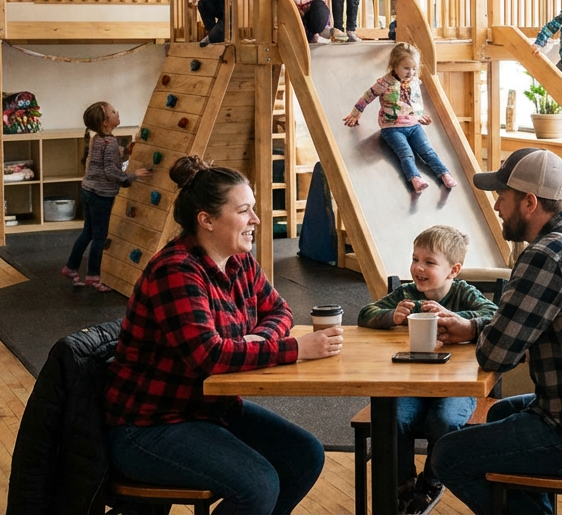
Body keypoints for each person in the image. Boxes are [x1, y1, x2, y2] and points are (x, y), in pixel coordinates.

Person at [105, 155, 340, 514]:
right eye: (244, 210)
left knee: (304, 455)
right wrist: (293, 349)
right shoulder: (176, 271)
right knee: (258, 484)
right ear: (207, 220)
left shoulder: (238, 258)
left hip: (209, 409)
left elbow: (279, 310)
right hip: (148, 426)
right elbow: (209, 357)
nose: (256, 220)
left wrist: (258, 341)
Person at [430, 148, 562, 515]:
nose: (497, 206)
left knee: (447, 455)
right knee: (499, 415)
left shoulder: (545, 256)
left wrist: (482, 334)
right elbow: (535, 321)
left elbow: (495, 355)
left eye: (502, 197)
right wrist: (474, 326)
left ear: (529, 202)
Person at [357, 225, 497, 514]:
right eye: (415, 259)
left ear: (453, 270)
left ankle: (433, 480)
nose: (418, 267)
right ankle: (403, 483)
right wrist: (390, 317)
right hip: (411, 383)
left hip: (456, 385)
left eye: (429, 262)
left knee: (444, 420)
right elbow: (365, 314)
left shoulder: (463, 293)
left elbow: (493, 314)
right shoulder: (406, 294)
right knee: (392, 418)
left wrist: (456, 318)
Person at [344, 41, 460, 194]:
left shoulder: (414, 81)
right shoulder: (385, 83)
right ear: (394, 65)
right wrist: (355, 113)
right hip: (392, 128)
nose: (410, 72)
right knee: (406, 153)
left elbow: (415, 100)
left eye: (413, 68)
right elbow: (368, 96)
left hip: (413, 126)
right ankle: (415, 178)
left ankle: (444, 174)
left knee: (427, 150)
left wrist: (419, 115)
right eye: (406, 68)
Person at [62, 102, 151, 291]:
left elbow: (106, 162)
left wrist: (125, 152)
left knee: (88, 232)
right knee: (100, 237)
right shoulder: (109, 142)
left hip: (87, 190)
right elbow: (111, 171)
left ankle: (71, 267)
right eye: (113, 112)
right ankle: (94, 277)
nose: (117, 112)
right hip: (101, 195)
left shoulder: (97, 139)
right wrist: (132, 177)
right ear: (105, 122)